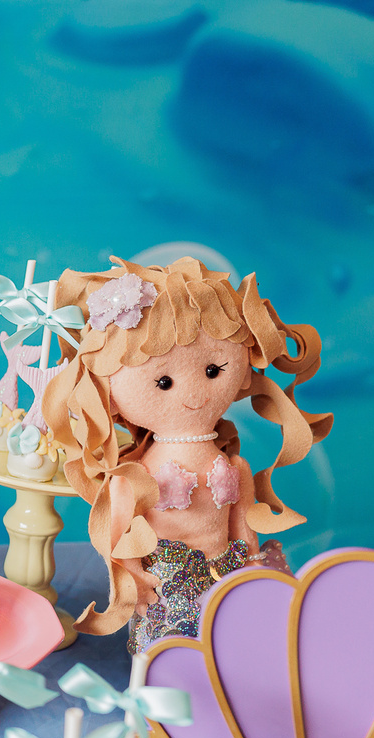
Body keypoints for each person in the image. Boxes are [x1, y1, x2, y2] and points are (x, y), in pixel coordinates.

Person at [44, 256, 331, 651]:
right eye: (163, 381)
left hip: (228, 580)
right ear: (109, 395)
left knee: (232, 648)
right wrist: (133, 577)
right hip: (167, 587)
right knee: (169, 656)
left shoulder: (235, 466)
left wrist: (252, 568)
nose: (193, 393)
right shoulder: (136, 476)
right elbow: (121, 534)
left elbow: (243, 528)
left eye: (214, 370)